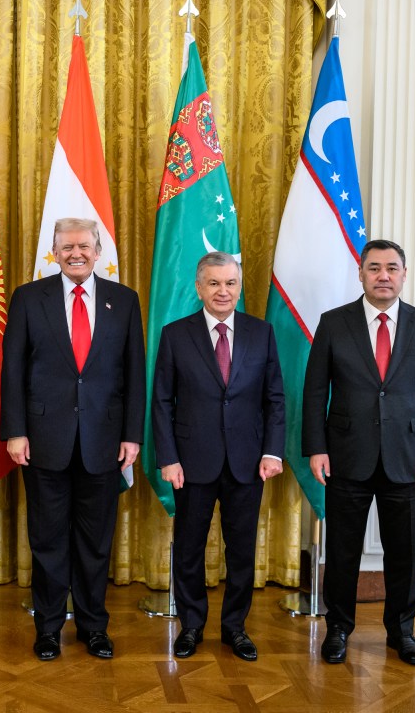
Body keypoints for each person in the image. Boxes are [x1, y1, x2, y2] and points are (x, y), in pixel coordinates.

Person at [2, 217, 145, 661]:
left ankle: (92, 627)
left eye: (84, 245)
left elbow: (134, 374)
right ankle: (47, 629)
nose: (76, 253)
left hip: (104, 442)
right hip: (43, 440)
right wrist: (15, 431)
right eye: (66, 247)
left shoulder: (123, 301)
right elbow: (12, 371)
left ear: (97, 250)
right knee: (47, 541)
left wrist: (132, 437)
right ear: (55, 252)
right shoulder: (29, 298)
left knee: (95, 542)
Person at [303, 239, 415, 666]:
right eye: (374, 268)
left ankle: (401, 632)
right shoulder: (333, 323)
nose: (383, 275)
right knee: (344, 551)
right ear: (361, 273)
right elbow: (315, 391)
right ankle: (339, 629)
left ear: (404, 274)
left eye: (391, 268)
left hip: (407, 458)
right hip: (346, 456)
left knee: (402, 552)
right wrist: (316, 447)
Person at [151, 251, 286, 661]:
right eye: (214, 283)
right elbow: (161, 401)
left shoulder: (261, 333)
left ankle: (235, 628)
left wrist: (272, 451)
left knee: (241, 550)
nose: (222, 291)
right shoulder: (176, 334)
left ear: (239, 286)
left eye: (229, 283)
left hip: (248, 461)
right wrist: (168, 458)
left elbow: (275, 399)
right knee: (189, 548)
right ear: (199, 288)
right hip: (192, 462)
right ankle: (191, 626)